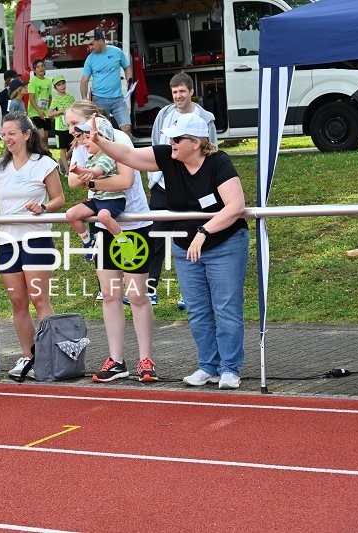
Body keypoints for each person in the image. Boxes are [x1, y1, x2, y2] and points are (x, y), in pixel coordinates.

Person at [88, 111, 249, 390]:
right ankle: (207, 366)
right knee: (197, 310)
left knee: (225, 308)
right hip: (186, 246)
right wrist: (100, 142)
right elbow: (129, 156)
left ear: (196, 142)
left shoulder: (219, 163)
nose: (171, 143)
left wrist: (204, 231)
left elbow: (235, 205)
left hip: (224, 244)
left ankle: (230, 368)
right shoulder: (168, 157)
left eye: (177, 138)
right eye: (170, 138)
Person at [64, 99, 158, 383]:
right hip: (105, 228)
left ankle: (146, 359)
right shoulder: (81, 144)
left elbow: (125, 181)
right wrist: (86, 179)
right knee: (110, 294)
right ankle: (117, 360)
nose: (70, 131)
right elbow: (71, 182)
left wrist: (90, 183)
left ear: (91, 118)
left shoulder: (118, 138)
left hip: (134, 225)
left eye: (73, 124)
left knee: (138, 296)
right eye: (68, 126)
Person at [0, 111, 65, 378]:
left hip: (36, 240)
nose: (7, 138)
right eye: (4, 133)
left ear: (26, 134)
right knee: (17, 301)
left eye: (12, 133)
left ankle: (50, 357)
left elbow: (59, 199)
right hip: (7, 242)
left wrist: (43, 206)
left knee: (39, 299)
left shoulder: (43, 163)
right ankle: (28, 356)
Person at [148, 72, 218, 309]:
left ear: (191, 92)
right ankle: (150, 288)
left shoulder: (204, 118)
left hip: (191, 187)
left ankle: (188, 294)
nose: (178, 96)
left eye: (182, 91)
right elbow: (156, 145)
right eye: (174, 92)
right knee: (155, 236)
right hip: (163, 185)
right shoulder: (164, 114)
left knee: (188, 236)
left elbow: (212, 150)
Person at [65, 115, 131, 261]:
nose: (83, 142)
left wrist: (80, 172)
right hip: (98, 199)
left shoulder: (108, 156)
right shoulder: (91, 158)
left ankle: (124, 242)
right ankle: (88, 241)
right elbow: (85, 176)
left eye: (88, 138)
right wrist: (78, 171)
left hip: (113, 200)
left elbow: (97, 172)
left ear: (102, 139)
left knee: (103, 216)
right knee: (71, 214)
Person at [80, 29, 134, 136]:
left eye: (91, 44)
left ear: (100, 41)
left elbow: (127, 67)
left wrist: (130, 80)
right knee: (102, 132)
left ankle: (126, 152)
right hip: (99, 100)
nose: (90, 48)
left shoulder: (117, 52)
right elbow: (84, 81)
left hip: (118, 99)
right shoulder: (90, 59)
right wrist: (85, 99)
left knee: (126, 128)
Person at [48, 74, 76, 176]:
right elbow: (50, 113)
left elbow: (75, 110)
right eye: (59, 85)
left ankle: (71, 165)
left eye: (63, 83)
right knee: (63, 148)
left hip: (71, 127)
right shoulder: (55, 100)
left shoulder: (71, 98)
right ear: (55, 88)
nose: (62, 86)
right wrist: (60, 111)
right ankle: (67, 170)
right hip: (60, 127)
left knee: (75, 145)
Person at [27, 59, 52, 147]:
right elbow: (31, 98)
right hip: (35, 113)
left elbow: (49, 97)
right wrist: (39, 111)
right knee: (41, 135)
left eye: (42, 66)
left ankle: (47, 155)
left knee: (46, 137)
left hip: (45, 112)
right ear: (34, 70)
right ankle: (39, 153)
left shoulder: (48, 81)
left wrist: (49, 111)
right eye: (38, 67)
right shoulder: (33, 82)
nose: (41, 68)